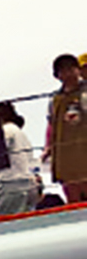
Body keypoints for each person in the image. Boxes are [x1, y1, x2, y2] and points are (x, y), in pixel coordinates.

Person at [47, 53, 87, 204]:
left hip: (83, 149)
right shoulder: (55, 99)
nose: (68, 73)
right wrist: (49, 147)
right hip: (65, 155)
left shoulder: (85, 92)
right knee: (73, 197)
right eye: (63, 70)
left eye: (71, 69)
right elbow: (51, 125)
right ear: (57, 75)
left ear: (78, 70)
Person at [0, 102, 40, 215]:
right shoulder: (21, 134)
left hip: (11, 182)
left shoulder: (6, 131)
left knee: (2, 220)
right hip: (29, 182)